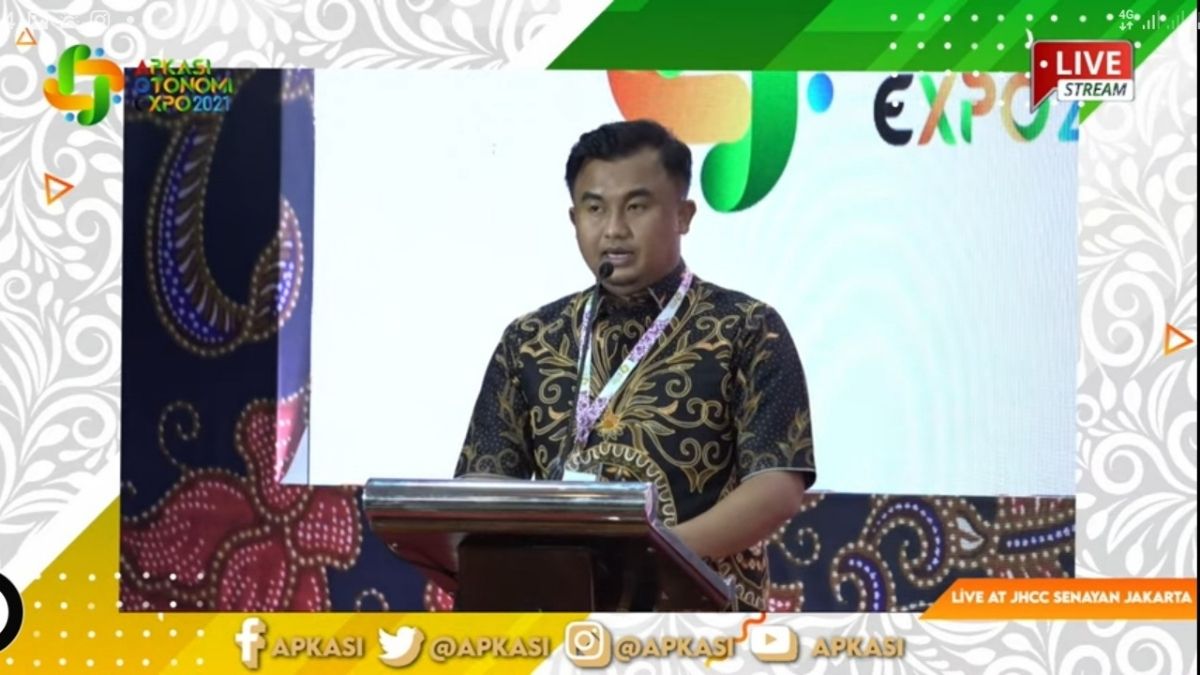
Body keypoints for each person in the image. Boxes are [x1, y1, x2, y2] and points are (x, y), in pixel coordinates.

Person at [455, 119, 815, 610]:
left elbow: (776, 487)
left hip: (700, 622)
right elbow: (485, 483)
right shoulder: (530, 340)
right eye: (595, 208)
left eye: (636, 207)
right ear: (574, 218)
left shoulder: (747, 328)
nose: (613, 230)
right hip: (557, 617)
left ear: (684, 215)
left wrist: (658, 553)